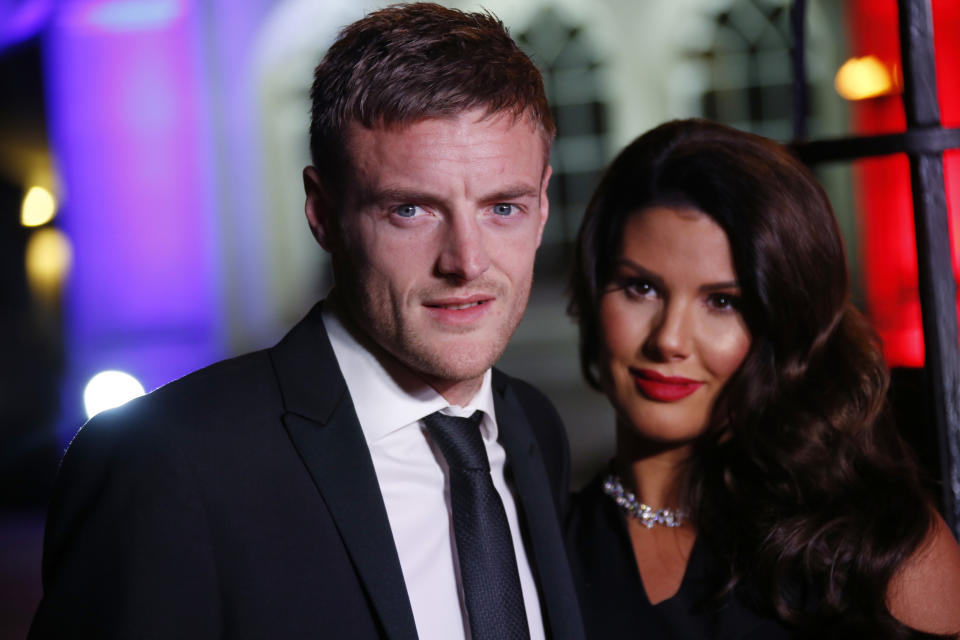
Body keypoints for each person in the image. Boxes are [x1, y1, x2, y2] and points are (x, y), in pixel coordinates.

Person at [29, 5, 585, 639]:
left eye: (503, 208)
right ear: (322, 213)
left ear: (542, 206)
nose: (466, 261)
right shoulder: (164, 466)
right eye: (410, 210)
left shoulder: (533, 427)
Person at [565, 118, 960, 638]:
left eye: (723, 302)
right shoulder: (541, 548)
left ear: (784, 322)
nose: (670, 340)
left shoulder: (875, 542)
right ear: (594, 292)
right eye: (641, 288)